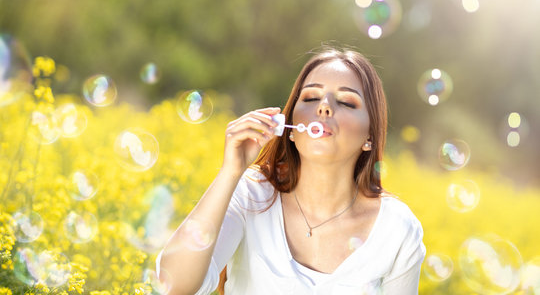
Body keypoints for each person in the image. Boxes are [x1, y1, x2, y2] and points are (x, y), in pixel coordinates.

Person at [157, 45, 426, 295]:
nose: (324, 107)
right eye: (310, 97)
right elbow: (174, 286)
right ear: (292, 129)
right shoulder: (252, 195)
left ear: (370, 135)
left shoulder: (397, 230)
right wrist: (231, 172)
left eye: (345, 102)